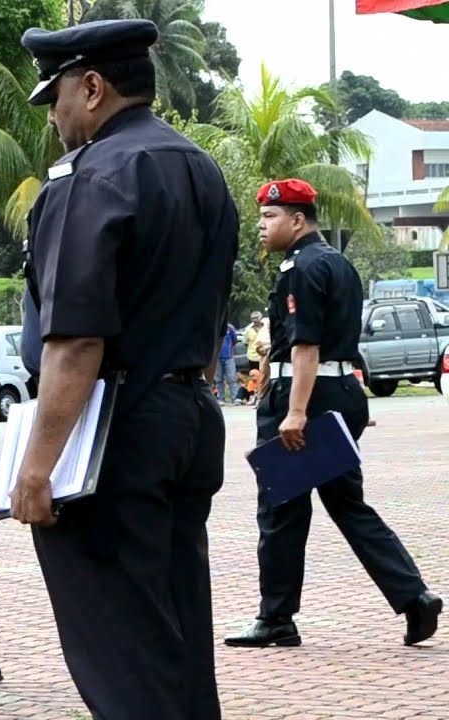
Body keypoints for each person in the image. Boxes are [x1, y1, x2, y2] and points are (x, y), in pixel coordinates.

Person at [13, 19, 238, 720]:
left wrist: (37, 464)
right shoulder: (200, 167)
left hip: (112, 434)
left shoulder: (95, 176)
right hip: (186, 417)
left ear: (93, 86)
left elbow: (76, 342)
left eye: (56, 98)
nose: (54, 116)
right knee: (176, 639)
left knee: (123, 656)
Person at [224, 179, 442, 649]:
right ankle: (413, 596)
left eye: (270, 217)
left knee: (281, 509)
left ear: (297, 220)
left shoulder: (302, 268)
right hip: (338, 390)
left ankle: (276, 617)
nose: (261, 226)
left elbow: (306, 346)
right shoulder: (337, 264)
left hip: (305, 396)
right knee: (346, 503)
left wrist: (295, 412)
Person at [216, 321, 238, 404]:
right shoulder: (214, 326)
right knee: (218, 379)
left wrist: (229, 348)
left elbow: (235, 340)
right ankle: (221, 398)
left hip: (229, 357)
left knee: (231, 378)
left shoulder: (230, 327)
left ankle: (234, 398)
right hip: (217, 357)